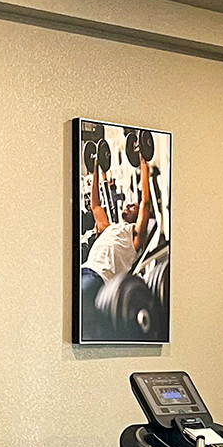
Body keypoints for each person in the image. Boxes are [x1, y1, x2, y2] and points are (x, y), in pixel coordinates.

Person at [78, 140, 156, 333]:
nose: (129, 204)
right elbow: (96, 206)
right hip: (84, 270)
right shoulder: (108, 228)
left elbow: (145, 203)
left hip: (98, 278)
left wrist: (143, 161)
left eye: (133, 206)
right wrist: (95, 166)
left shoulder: (134, 237)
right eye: (129, 204)